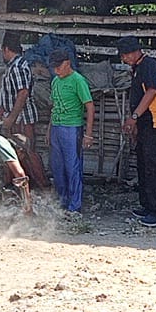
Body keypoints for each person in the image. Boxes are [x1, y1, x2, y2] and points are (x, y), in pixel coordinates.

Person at [117, 36, 156, 228]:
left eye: (124, 55)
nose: (123, 59)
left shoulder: (149, 65)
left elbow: (152, 92)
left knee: (154, 168)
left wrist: (133, 117)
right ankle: (148, 207)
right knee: (143, 165)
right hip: (146, 123)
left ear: (134, 52)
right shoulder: (138, 68)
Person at [48, 49, 94, 216]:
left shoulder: (78, 81)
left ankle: (75, 206)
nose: (55, 71)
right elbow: (54, 108)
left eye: (58, 67)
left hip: (72, 128)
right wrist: (49, 130)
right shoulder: (55, 81)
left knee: (72, 167)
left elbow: (89, 107)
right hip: (56, 128)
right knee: (57, 167)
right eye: (53, 68)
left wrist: (88, 134)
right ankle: (62, 202)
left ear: (67, 63)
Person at [0, 32, 38, 150]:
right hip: (17, 117)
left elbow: (23, 93)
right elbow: (12, 93)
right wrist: (1, 110)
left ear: (6, 49)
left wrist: (11, 118)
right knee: (18, 154)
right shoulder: (14, 66)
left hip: (22, 118)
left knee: (27, 153)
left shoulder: (17, 67)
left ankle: (34, 169)